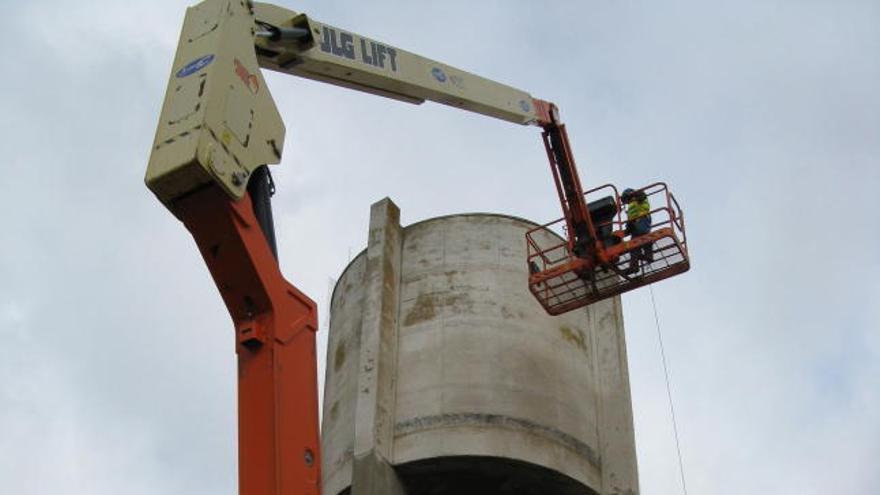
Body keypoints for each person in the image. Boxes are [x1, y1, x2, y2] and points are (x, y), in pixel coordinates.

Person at [621, 188, 653, 273]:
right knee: (633, 246)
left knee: (645, 237)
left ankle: (648, 256)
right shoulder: (631, 205)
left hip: (642, 220)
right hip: (635, 223)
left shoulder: (639, 197)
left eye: (626, 200)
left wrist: (634, 195)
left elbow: (641, 195)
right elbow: (631, 218)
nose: (627, 203)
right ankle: (634, 267)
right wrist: (627, 229)